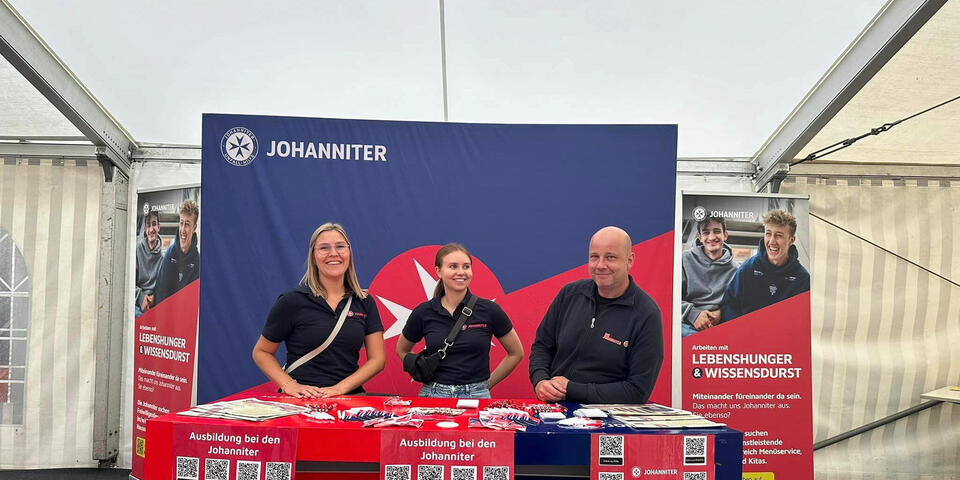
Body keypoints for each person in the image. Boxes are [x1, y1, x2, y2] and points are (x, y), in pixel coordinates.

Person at [529, 226, 663, 404]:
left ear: (629, 260)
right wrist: (540, 380)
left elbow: (637, 391)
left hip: (609, 421)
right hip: (555, 412)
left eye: (610, 257)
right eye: (594, 257)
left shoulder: (646, 314)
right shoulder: (569, 295)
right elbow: (542, 346)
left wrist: (571, 390)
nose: (600, 265)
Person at [253, 223, 386, 398]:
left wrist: (340, 389)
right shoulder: (292, 301)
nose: (333, 253)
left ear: (349, 253)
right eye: (324, 248)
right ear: (313, 256)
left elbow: (377, 360)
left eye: (340, 246)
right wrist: (289, 385)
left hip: (349, 400)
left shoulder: (364, 301)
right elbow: (261, 352)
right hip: (300, 402)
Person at [397, 243, 524, 398]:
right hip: (433, 395)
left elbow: (516, 353)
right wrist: (420, 368)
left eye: (466, 266)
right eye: (453, 266)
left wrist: (484, 386)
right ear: (438, 271)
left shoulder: (490, 310)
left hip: (477, 396)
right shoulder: (424, 312)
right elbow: (402, 350)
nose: (461, 272)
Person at [720, 209, 810, 322]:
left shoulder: (802, 279)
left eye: (778, 235)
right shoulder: (747, 269)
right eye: (768, 234)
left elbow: (803, 320)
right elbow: (729, 306)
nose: (772, 241)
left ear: (791, 240)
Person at [680, 216, 738, 337]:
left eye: (717, 231)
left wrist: (722, 313)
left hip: (721, 324)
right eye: (706, 232)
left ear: (725, 235)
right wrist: (693, 314)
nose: (712, 237)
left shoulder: (736, 270)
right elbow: (670, 298)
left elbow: (740, 304)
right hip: (686, 322)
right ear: (700, 237)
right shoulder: (683, 260)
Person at [154, 200, 200, 304]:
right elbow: (161, 293)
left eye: (187, 224)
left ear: (194, 228)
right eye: (181, 223)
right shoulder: (169, 255)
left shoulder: (198, 261)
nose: (183, 230)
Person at [135, 210, 163, 316]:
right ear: (145, 229)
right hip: (137, 301)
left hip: (155, 303)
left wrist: (154, 297)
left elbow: (164, 287)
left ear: (159, 227)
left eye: (154, 224)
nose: (151, 229)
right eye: (148, 225)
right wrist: (141, 298)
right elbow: (129, 283)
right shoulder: (137, 250)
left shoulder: (163, 257)